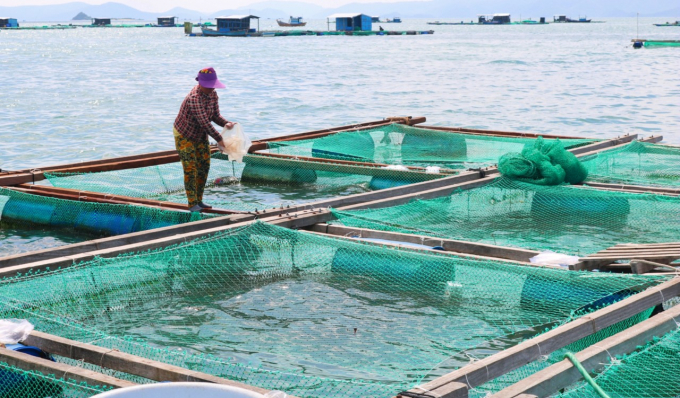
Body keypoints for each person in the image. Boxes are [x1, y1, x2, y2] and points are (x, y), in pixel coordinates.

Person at [174, 67, 235, 212]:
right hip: (184, 135)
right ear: (200, 83)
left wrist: (225, 123)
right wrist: (220, 139)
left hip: (200, 134)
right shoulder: (194, 98)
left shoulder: (213, 95)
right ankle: (192, 204)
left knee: (204, 166)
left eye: (212, 85)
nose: (211, 88)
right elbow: (205, 122)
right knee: (190, 168)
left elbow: (214, 116)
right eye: (208, 86)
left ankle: (199, 200)